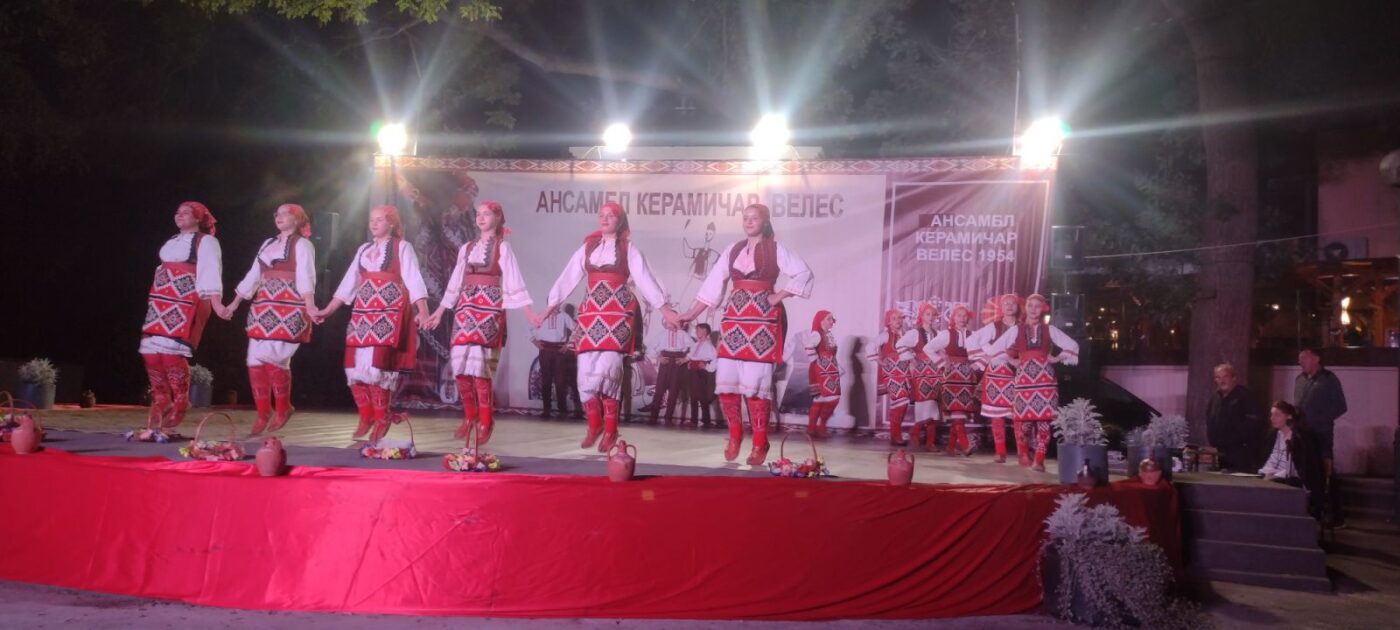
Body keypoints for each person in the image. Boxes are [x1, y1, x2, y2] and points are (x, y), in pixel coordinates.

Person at [677, 203, 815, 464]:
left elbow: (804, 273)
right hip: (734, 322)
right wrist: (691, 314)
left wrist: (777, 296)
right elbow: (712, 285)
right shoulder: (733, 250)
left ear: (765, 222)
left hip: (762, 322)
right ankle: (734, 435)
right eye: (746, 218)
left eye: (755, 218)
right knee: (727, 381)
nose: (749, 222)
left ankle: (760, 442)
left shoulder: (775, 249)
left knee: (755, 385)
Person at [543, 202, 679, 452]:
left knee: (608, 368)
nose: (604, 219)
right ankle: (594, 424)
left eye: (610, 216)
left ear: (620, 220)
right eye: (601, 215)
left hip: (617, 314)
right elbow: (568, 276)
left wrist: (664, 308)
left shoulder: (628, 249)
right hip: (591, 314)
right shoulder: (588, 248)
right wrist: (552, 304)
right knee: (585, 370)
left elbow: (645, 279)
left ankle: (610, 428)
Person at [313, 205, 430, 442]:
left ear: (392, 224)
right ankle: (366, 415)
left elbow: (413, 279)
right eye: (371, 220)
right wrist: (328, 310)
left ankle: (382, 417)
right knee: (353, 365)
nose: (374, 224)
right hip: (363, 312)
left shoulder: (401, 247)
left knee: (378, 367)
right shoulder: (364, 250)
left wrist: (423, 311)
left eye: (380, 220)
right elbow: (349, 283)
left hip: (389, 311)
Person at [425, 201, 538, 446]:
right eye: (478, 214)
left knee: (479, 365)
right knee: (459, 363)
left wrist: (529, 314)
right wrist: (440, 311)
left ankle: (486, 419)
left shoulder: (503, 247)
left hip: (489, 308)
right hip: (466, 307)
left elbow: (514, 281)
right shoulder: (466, 248)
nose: (481, 218)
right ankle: (469, 416)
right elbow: (455, 282)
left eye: (486, 214)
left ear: (497, 218)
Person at [218, 203, 316, 435]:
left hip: (290, 306)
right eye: (277, 214)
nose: (279, 217)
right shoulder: (268, 244)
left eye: (285, 214)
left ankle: (283, 407)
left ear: (297, 219)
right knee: (254, 360)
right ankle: (263, 412)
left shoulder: (302, 244)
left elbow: (306, 275)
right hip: (263, 308)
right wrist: (233, 304)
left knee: (274, 357)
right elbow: (253, 275)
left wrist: (310, 305)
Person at [139, 201, 222, 431]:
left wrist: (216, 303)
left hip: (186, 299)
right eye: (177, 212)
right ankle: (162, 398)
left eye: (185, 213)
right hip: (161, 299)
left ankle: (181, 400)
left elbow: (211, 271)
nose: (179, 215)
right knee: (149, 351)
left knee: (170, 352)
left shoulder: (206, 241)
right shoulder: (173, 241)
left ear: (198, 218)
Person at [989, 294, 1079, 471]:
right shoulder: (1016, 330)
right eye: (1030, 306)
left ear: (1043, 309)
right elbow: (996, 348)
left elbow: (1073, 345)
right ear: (1026, 308)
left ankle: (1039, 460)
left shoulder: (1049, 329)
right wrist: (1011, 360)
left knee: (1044, 421)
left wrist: (1056, 358)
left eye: (1038, 306)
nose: (1033, 309)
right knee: (1024, 422)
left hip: (1045, 380)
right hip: (1024, 381)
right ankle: (1023, 455)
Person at [1294, 347, 1349, 526]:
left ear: (1316, 359)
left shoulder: (1328, 379)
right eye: (1299, 358)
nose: (1300, 362)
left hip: (1321, 433)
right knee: (1307, 471)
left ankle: (1335, 515)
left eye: (1304, 358)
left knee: (1326, 471)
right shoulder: (1300, 379)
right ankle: (1313, 510)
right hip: (1302, 434)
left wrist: (1319, 419)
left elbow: (1340, 406)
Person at [972, 294, 1022, 463]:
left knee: (1019, 413)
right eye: (1006, 303)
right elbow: (976, 341)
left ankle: (1022, 451)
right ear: (1001, 307)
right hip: (996, 373)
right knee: (996, 414)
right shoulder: (994, 326)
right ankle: (1000, 451)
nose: (1009, 306)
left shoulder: (1023, 327)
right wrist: (992, 351)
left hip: (1016, 372)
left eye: (1013, 303)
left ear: (1018, 307)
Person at [1259, 401, 1326, 519]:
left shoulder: (1300, 437)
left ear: (1289, 416)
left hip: (1296, 481)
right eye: (1271, 414)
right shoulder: (1276, 434)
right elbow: (1273, 457)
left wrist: (1274, 476)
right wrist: (1265, 472)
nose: (1272, 418)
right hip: (1276, 477)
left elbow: (1297, 468)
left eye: (1277, 415)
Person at [928, 303, 979, 456]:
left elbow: (983, 352)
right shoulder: (946, 334)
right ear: (953, 318)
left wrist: (976, 366)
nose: (962, 318)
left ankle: (951, 447)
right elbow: (928, 348)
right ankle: (964, 444)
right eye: (959, 315)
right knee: (957, 409)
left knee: (960, 410)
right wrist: (942, 363)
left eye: (965, 315)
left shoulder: (973, 334)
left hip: (967, 376)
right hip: (951, 376)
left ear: (968, 318)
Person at [869, 308, 917, 447]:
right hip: (892, 373)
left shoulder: (906, 335)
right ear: (888, 322)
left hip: (905, 373)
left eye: (900, 318)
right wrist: (879, 361)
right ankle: (896, 436)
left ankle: (895, 435)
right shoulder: (885, 335)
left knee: (902, 403)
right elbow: (870, 346)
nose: (898, 321)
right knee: (901, 401)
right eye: (894, 318)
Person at [1205, 362, 1266, 472]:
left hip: (1240, 455)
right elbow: (1209, 419)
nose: (1222, 381)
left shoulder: (1246, 396)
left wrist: (1232, 442)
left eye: (1225, 377)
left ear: (1234, 378)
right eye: (1218, 377)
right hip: (1220, 453)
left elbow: (1253, 424)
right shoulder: (1215, 398)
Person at [906, 303, 943, 451]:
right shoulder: (915, 333)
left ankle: (929, 442)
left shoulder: (939, 333)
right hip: (921, 372)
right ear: (921, 316)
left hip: (936, 372)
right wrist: (912, 360)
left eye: (933, 314)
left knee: (934, 407)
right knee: (925, 406)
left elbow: (942, 351)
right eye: (928, 314)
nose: (931, 317)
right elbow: (901, 346)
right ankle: (916, 431)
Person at [532, 301, 576, 418]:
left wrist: (568, 345)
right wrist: (534, 341)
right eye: (552, 303)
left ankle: (562, 411)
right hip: (545, 350)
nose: (555, 306)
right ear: (548, 303)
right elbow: (529, 327)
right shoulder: (541, 315)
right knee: (546, 380)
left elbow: (576, 329)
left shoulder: (564, 316)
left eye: (557, 303)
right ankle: (546, 410)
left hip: (559, 351)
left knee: (560, 381)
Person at [647, 315, 693, 425]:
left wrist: (686, 359)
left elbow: (695, 347)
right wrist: (658, 357)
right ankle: (653, 417)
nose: (669, 323)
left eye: (671, 321)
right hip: (665, 361)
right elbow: (650, 348)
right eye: (668, 321)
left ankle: (668, 418)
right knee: (659, 390)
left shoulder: (683, 334)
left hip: (677, 362)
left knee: (674, 391)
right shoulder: (662, 334)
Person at [803, 310, 842, 438]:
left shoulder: (828, 334)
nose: (832, 322)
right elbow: (809, 347)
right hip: (820, 371)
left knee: (822, 399)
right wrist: (818, 361)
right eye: (829, 319)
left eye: (832, 319)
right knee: (828, 398)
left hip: (830, 371)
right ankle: (816, 427)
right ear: (821, 321)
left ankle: (816, 427)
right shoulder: (817, 334)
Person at [687, 322, 718, 427]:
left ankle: (706, 420)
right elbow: (692, 356)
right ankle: (693, 420)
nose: (696, 332)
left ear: (704, 331)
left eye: (698, 330)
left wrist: (707, 367)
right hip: (693, 372)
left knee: (702, 396)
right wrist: (690, 363)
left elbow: (715, 360)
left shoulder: (709, 346)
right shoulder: (696, 344)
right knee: (693, 395)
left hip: (701, 373)